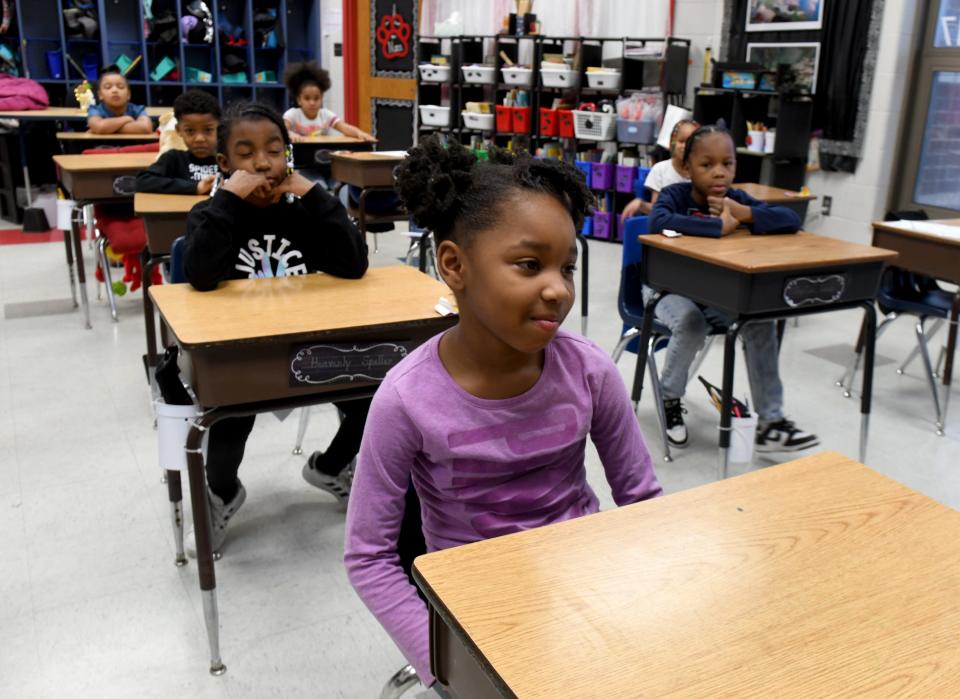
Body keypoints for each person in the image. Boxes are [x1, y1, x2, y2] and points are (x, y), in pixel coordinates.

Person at [344, 136, 662, 691]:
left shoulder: (589, 372)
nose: (558, 290)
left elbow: (642, 502)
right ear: (454, 264)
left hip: (582, 588)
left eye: (567, 268)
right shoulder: (405, 399)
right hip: (474, 611)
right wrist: (440, 660)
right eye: (529, 265)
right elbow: (369, 558)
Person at [181, 101, 369, 555]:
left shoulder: (301, 211)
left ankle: (329, 467)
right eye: (245, 154)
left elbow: (353, 265)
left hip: (311, 343)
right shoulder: (214, 215)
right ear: (224, 164)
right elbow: (201, 274)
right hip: (241, 353)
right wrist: (227, 198)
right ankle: (223, 493)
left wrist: (316, 194)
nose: (262, 163)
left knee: (372, 400)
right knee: (227, 426)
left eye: (273, 150)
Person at [648, 124, 819, 453]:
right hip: (665, 290)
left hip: (711, 290)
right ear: (687, 168)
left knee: (759, 320)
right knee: (691, 323)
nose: (718, 173)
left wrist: (745, 213)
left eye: (727, 164)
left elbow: (790, 219)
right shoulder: (675, 195)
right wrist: (717, 226)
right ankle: (669, 397)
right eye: (706, 164)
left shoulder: (735, 199)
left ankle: (770, 423)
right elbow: (658, 222)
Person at [136, 89, 220, 195]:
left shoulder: (228, 159)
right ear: (179, 130)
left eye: (208, 130)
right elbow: (142, 182)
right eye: (190, 131)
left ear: (219, 129)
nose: (199, 139)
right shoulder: (173, 158)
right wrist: (195, 188)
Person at [621, 118, 699, 219]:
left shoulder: (701, 172)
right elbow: (657, 210)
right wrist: (641, 204)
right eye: (681, 141)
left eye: (689, 142)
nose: (685, 146)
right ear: (672, 143)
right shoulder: (660, 170)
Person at [282, 61, 375, 142]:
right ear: (299, 100)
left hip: (318, 152)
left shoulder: (326, 115)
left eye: (316, 98)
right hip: (294, 151)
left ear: (322, 98)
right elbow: (282, 129)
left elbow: (344, 128)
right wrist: (290, 134)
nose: (312, 103)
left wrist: (360, 133)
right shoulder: (292, 114)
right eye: (307, 98)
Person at [86, 65, 154, 134]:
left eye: (120, 87)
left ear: (128, 94)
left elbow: (146, 127)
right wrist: (127, 119)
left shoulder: (137, 109)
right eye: (108, 87)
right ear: (100, 95)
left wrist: (107, 129)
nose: (115, 90)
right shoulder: (94, 110)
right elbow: (100, 127)